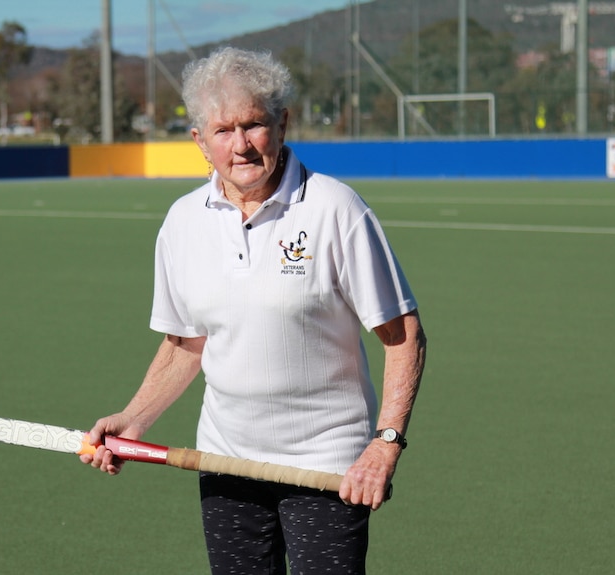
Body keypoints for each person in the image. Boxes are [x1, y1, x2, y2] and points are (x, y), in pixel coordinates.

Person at [80, 47, 427, 575]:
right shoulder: (181, 223)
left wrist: (385, 445)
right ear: (199, 142)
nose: (240, 145)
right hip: (224, 463)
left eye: (253, 125)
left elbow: (403, 335)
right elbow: (185, 344)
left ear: (282, 123)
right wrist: (133, 420)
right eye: (222, 131)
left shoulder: (335, 209)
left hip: (326, 467)